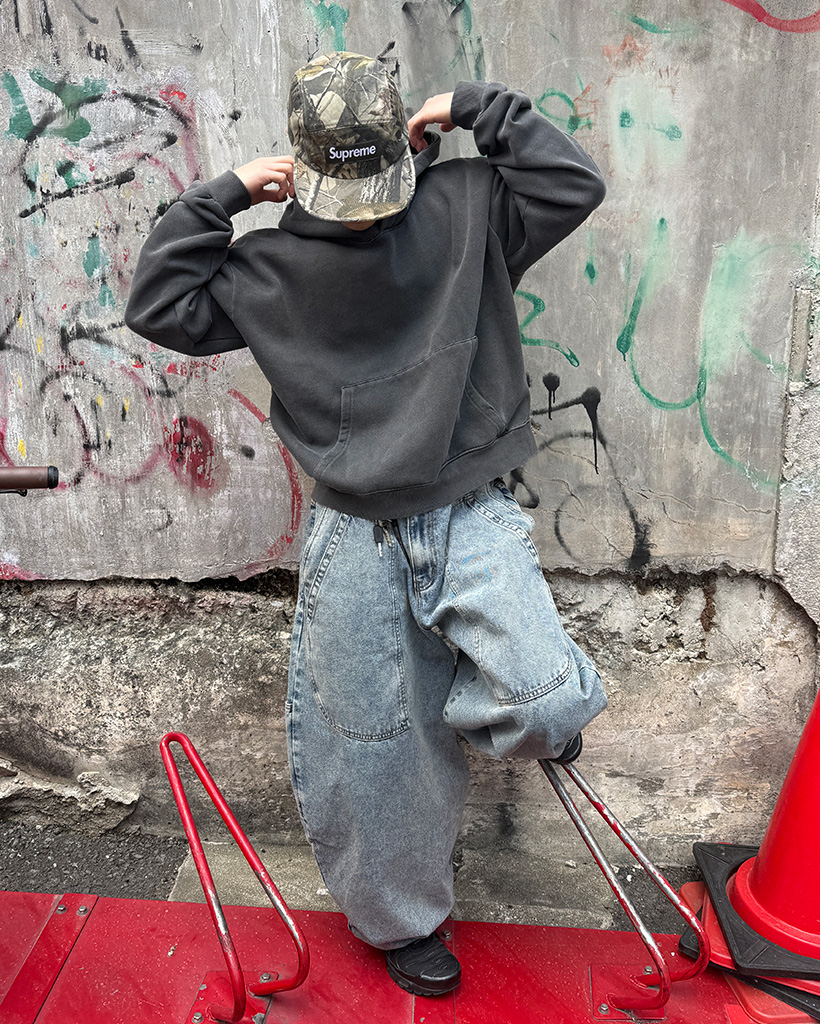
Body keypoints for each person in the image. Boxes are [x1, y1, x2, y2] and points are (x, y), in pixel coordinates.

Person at [125, 49, 608, 997]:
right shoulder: (266, 269)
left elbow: (572, 183)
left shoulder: (466, 209)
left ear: (404, 147)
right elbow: (158, 305)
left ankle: (489, 701)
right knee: (373, 746)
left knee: (549, 705)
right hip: (354, 531)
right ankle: (403, 922)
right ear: (302, 173)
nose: (365, 213)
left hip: (467, 510)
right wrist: (225, 193)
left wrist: (474, 104)